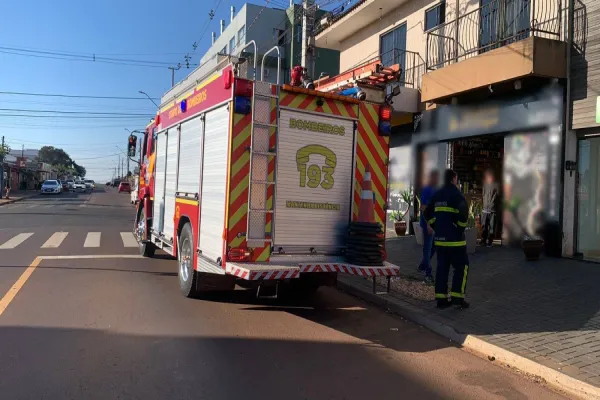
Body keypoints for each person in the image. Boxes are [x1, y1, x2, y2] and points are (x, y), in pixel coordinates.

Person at [424, 169, 470, 310]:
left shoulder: (437, 194)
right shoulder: (457, 194)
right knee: (461, 268)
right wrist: (459, 229)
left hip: (440, 240)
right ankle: (457, 299)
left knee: (442, 269)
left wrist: (435, 226)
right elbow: (464, 213)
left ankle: (441, 300)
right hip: (456, 242)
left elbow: (427, 212)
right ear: (453, 178)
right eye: (456, 178)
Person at [417, 170, 439, 283]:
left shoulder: (435, 189)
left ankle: (423, 265)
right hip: (428, 225)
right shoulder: (427, 189)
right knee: (428, 248)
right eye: (436, 177)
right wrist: (428, 224)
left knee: (433, 247)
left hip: (434, 224)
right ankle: (428, 273)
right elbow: (423, 208)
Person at [481, 169, 499, 247]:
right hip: (485, 209)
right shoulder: (485, 185)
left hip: (492, 209)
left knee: (491, 227)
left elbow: (498, 196)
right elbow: (483, 195)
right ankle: (483, 240)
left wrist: (494, 204)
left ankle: (490, 241)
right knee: (484, 226)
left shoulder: (496, 185)